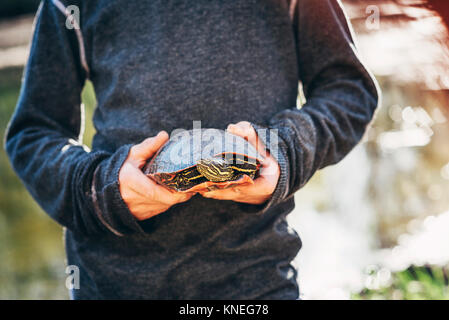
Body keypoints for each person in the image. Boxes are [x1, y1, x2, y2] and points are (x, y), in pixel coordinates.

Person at [5, 0, 379, 299]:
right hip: (113, 283)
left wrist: (285, 151)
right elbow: (33, 133)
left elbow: (349, 90)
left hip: (255, 282)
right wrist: (101, 188)